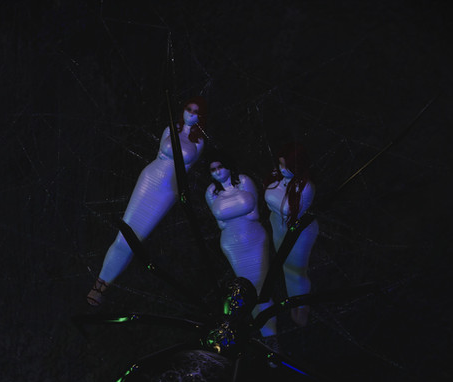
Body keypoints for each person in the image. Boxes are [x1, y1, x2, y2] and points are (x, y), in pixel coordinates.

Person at [87, 96, 207, 305]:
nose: (191, 113)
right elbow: (161, 152)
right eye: (189, 108)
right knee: (124, 234)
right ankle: (99, 285)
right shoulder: (170, 129)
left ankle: (106, 285)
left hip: (167, 190)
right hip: (150, 178)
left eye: (196, 111)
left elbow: (186, 169)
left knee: (136, 239)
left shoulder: (199, 142)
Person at [205, 156, 277, 342]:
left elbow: (254, 214)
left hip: (253, 238)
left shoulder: (244, 181)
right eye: (213, 169)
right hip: (231, 244)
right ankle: (265, 336)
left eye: (220, 166)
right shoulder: (211, 192)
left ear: (228, 166)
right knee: (248, 289)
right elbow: (220, 223)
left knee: (262, 287)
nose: (218, 171)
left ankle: (272, 335)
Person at [264, 142, 319, 327]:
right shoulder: (278, 180)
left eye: (286, 166)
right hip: (278, 227)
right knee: (286, 268)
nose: (282, 169)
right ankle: (294, 302)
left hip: (298, 233)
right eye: (280, 164)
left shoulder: (306, 188)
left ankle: (301, 307)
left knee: (296, 271)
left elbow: (291, 210)